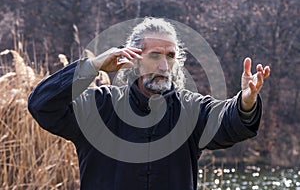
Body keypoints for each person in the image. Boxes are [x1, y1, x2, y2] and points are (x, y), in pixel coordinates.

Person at [28, 17, 270, 190]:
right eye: (155, 55)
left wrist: (246, 101)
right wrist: (92, 66)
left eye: (171, 56)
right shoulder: (99, 107)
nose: (164, 66)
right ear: (133, 58)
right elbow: (42, 104)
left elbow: (229, 120)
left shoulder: (191, 109)